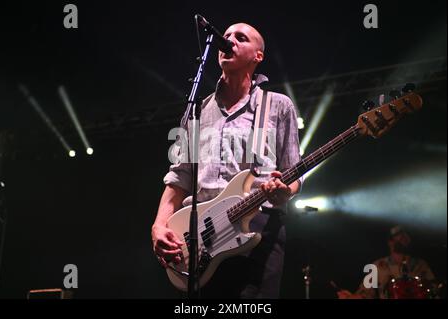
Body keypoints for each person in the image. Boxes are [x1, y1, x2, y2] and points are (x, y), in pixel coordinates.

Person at [151, 22, 303, 298]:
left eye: (240, 38)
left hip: (257, 228)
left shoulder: (278, 105)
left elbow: (294, 173)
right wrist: (159, 225)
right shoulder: (197, 110)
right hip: (199, 236)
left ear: (258, 56)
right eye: (227, 36)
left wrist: (283, 192)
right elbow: (179, 176)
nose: (229, 40)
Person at [337, 225, 437, 299]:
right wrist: (349, 297)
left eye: (406, 235)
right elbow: (364, 294)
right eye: (400, 235)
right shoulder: (376, 266)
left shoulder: (421, 264)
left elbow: (434, 291)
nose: (405, 238)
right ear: (390, 241)